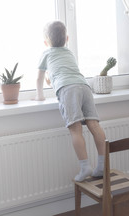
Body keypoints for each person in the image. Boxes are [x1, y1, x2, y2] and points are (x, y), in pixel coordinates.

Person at [34, 21, 106, 182]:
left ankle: (85, 166)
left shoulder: (46, 53)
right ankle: (102, 165)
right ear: (66, 39)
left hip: (68, 88)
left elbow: (39, 78)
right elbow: (64, 71)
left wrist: (40, 95)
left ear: (46, 42)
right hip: (84, 86)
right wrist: (51, 80)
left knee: (75, 129)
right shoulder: (69, 53)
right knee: (94, 125)